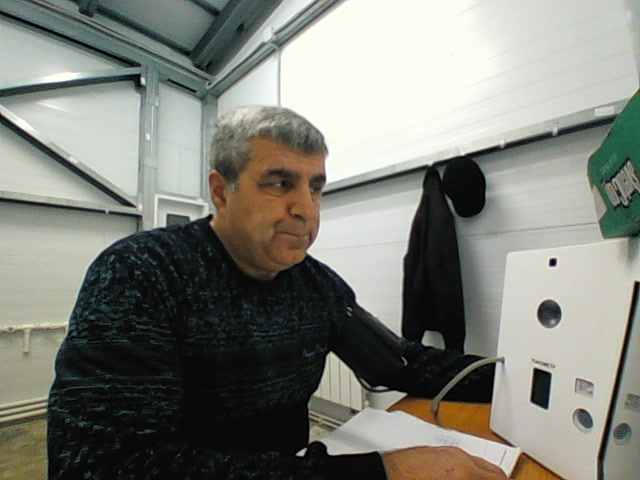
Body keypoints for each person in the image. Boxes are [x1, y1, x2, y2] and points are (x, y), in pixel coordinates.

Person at [47, 105, 506, 480]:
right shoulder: (141, 273)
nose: (306, 209)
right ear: (221, 192)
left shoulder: (317, 286)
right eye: (280, 183)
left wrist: (521, 380)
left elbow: (402, 363)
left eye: (316, 188)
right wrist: (380, 473)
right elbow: (105, 466)